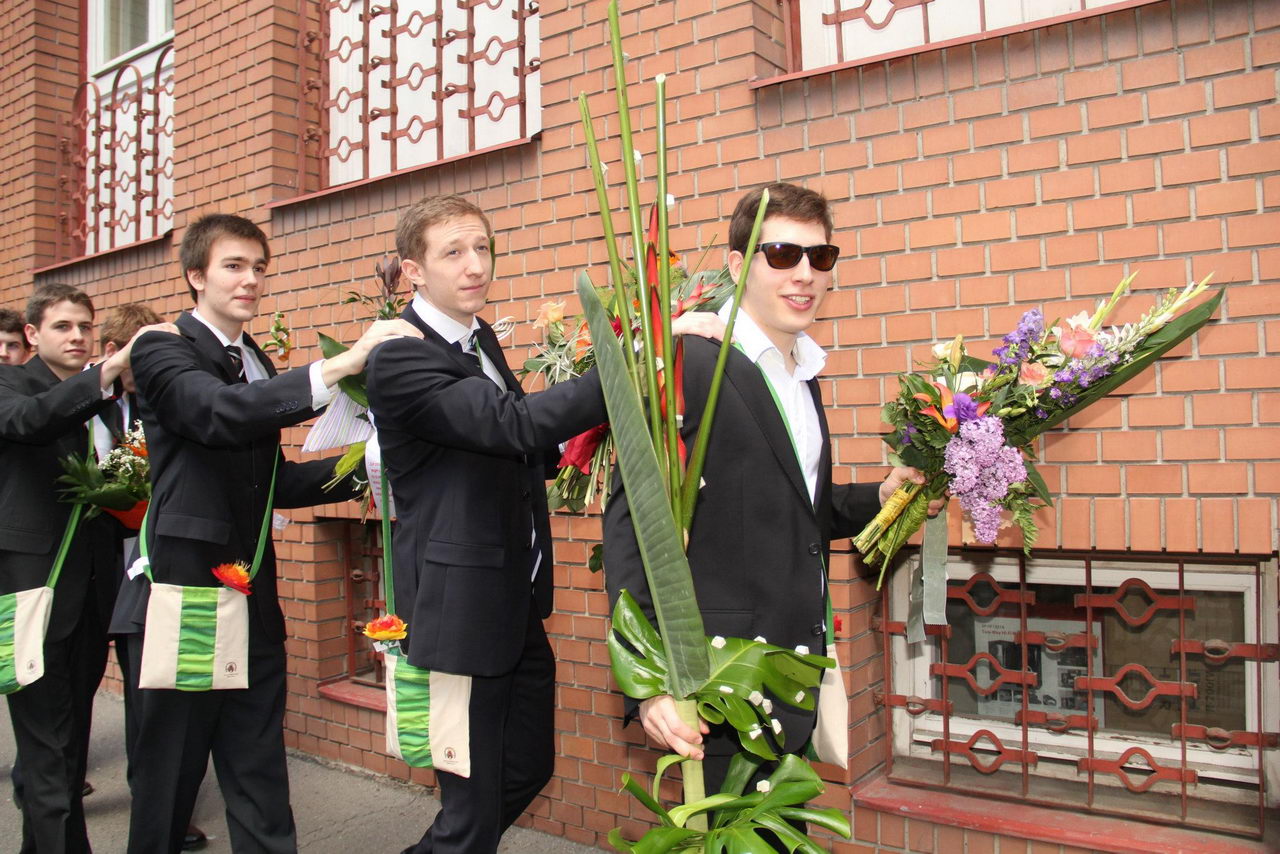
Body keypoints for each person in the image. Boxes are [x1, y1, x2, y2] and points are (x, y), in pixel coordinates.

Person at [603, 183, 937, 797]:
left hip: (793, 668)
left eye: (820, 256)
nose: (804, 273)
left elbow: (792, 508)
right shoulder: (692, 363)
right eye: (782, 255)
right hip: (716, 680)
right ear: (738, 265)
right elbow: (633, 524)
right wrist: (646, 683)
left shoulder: (803, 372)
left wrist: (880, 496)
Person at [118, 213, 420, 854]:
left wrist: (371, 465)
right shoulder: (162, 347)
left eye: (259, 268)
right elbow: (215, 412)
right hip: (189, 592)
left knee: (258, 767)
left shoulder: (254, 358)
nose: (250, 279)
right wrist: (343, 365)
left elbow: (274, 481)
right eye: (233, 266)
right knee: (170, 775)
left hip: (253, 592)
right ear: (195, 275)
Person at [365, 194, 616, 854]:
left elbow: (514, 446)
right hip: (460, 612)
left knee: (529, 767)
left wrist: (573, 446)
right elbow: (508, 423)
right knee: (471, 810)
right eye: (453, 252)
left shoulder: (478, 340)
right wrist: (623, 370)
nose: (475, 265)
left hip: (513, 600)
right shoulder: (401, 356)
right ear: (413, 271)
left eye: (482, 248)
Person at [0, 282, 173, 853]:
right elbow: (32, 421)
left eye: (84, 326)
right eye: (62, 326)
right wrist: (106, 371)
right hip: (36, 590)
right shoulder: (12, 384)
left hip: (93, 592)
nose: (76, 336)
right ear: (32, 334)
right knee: (47, 748)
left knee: (68, 743)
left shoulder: (106, 401)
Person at [94, 302, 210, 851]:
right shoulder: (96, 406)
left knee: (156, 698)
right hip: (107, 560)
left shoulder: (162, 397)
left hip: (152, 562)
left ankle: (162, 806)